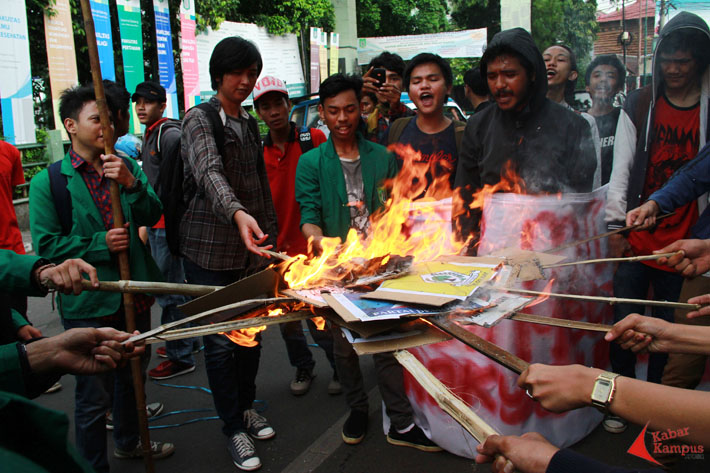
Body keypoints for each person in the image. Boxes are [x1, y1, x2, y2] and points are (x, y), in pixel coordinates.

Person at [28, 84, 172, 471]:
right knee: (93, 396)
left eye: (108, 119)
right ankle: (93, 465)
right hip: (89, 302)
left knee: (133, 380)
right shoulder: (50, 183)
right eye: (96, 119)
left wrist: (131, 182)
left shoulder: (125, 165)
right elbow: (47, 246)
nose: (105, 127)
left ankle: (128, 441)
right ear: (71, 126)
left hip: (135, 295)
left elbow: (151, 211)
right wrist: (99, 244)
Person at [295, 73, 440, 452]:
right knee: (344, 347)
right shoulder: (311, 162)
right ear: (322, 114)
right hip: (338, 269)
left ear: (361, 109)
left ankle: (401, 421)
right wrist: (322, 242)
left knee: (388, 343)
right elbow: (308, 215)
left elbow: (397, 210)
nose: (342, 118)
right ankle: (357, 408)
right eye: (333, 111)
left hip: (381, 267)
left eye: (349, 109)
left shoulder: (381, 157)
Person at [603, 12, 710, 433]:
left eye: (685, 61)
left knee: (668, 333)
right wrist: (617, 227)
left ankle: (656, 411)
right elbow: (621, 170)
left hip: (689, 248)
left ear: (700, 62)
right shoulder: (641, 102)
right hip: (637, 238)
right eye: (668, 59)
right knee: (624, 323)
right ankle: (618, 401)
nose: (675, 69)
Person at [179, 36, 278, 471]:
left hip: (251, 253)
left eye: (251, 73)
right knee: (219, 346)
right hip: (207, 252)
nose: (245, 81)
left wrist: (270, 238)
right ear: (219, 74)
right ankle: (233, 428)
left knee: (251, 337)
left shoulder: (250, 123)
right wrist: (237, 214)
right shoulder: (199, 119)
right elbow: (209, 173)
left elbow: (259, 186)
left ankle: (245, 406)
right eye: (237, 72)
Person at [453, 28, 597, 246]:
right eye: (492, 76)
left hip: (553, 252)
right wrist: (464, 250)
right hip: (494, 252)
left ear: (531, 74)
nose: (499, 85)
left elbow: (579, 202)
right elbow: (466, 196)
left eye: (510, 74)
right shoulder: (478, 126)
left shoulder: (573, 127)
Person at [252, 75, 339, 397]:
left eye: (278, 103)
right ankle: (303, 366)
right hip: (277, 250)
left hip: (313, 246)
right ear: (258, 112)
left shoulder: (312, 139)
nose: (273, 111)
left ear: (289, 105)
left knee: (322, 317)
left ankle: (339, 367)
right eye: (265, 106)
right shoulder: (256, 152)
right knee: (287, 322)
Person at [131, 80, 198, 381]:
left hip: (166, 225)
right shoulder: (150, 134)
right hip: (158, 224)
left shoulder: (168, 135)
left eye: (148, 102)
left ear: (161, 105)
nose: (141, 107)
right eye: (138, 102)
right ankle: (187, 340)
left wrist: (158, 224)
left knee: (170, 292)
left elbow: (176, 185)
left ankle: (181, 355)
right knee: (175, 288)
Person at [386, 53, 466, 193]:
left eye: (433, 79)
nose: (424, 86)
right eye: (416, 82)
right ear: (409, 93)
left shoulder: (465, 135)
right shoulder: (396, 131)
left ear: (448, 87)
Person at [543, 44, 602, 188]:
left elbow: (594, 175)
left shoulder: (584, 122)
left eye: (560, 60)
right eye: (546, 59)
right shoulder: (524, 118)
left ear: (572, 74)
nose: (551, 63)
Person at [585, 54, 632, 186]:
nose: (603, 80)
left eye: (610, 76)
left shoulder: (624, 119)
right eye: (597, 75)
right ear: (587, 86)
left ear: (619, 87)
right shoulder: (579, 121)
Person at [362, 52, 416, 143]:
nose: (386, 84)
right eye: (381, 79)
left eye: (394, 79)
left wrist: (395, 108)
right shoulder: (364, 122)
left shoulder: (415, 119)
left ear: (403, 85)